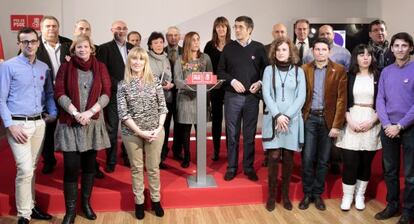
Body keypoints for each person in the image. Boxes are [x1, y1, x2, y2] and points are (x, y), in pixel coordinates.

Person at [0, 27, 56, 224]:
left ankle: (31, 206)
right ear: (19, 44)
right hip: (17, 124)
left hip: (39, 123)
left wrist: (53, 112)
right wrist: (10, 125)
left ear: (38, 43)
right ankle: (24, 214)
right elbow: (1, 99)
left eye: (32, 41)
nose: (29, 45)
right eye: (25, 42)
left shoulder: (43, 67)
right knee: (24, 169)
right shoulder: (8, 66)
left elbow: (49, 94)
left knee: (31, 167)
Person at [54, 35, 111, 224]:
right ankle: (70, 210)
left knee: (89, 166)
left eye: (85, 46)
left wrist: (89, 112)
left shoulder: (100, 67)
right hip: (71, 122)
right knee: (70, 167)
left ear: (91, 49)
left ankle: (85, 204)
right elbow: (59, 92)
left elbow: (106, 93)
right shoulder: (65, 67)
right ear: (73, 49)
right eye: (79, 47)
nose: (82, 50)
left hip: (92, 122)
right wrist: (75, 112)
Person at [117, 47, 167, 219]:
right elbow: (123, 113)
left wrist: (158, 128)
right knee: (137, 168)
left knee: (153, 168)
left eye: (141, 59)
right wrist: (140, 132)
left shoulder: (155, 81)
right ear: (129, 61)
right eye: (134, 59)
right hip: (132, 133)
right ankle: (138, 201)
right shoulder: (122, 85)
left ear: (146, 62)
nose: (137, 62)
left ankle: (155, 200)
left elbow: (163, 108)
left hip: (155, 132)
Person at [299, 37, 347, 211]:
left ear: (329, 51)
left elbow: (342, 100)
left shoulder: (339, 70)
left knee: (323, 160)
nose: (320, 52)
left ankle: (317, 194)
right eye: (317, 49)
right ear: (312, 51)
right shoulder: (304, 69)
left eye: (323, 49)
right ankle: (307, 193)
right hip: (309, 118)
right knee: (307, 157)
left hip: (328, 121)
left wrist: (337, 125)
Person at [218, 16, 268, 181]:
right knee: (232, 134)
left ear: (249, 29)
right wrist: (232, 81)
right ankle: (232, 167)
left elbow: (266, 71)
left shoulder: (259, 48)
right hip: (232, 97)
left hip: (252, 99)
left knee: (249, 135)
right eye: (236, 26)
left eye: (240, 27)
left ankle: (248, 167)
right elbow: (220, 71)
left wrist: (260, 83)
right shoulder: (228, 48)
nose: (237, 29)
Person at [262, 37, 306, 211]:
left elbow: (301, 96)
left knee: (288, 158)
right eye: (278, 49)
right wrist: (278, 115)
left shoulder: (298, 71)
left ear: (291, 52)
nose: (281, 52)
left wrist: (286, 116)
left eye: (284, 49)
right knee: (273, 158)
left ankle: (286, 196)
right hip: (273, 119)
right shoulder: (268, 70)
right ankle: (272, 196)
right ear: (274, 52)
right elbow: (266, 94)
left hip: (292, 121)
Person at [335, 44, 381, 211]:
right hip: (351, 120)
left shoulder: (378, 75)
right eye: (361, 55)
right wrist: (350, 121)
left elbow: (383, 101)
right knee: (350, 162)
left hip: (372, 120)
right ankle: (347, 196)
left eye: (368, 55)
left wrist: (373, 121)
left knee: (365, 163)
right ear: (356, 57)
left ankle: (360, 195)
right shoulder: (349, 76)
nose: (365, 58)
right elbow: (342, 101)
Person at [375, 32, 414, 224]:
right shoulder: (386, 71)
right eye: (396, 45)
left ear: (411, 48)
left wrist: (400, 125)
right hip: (388, 127)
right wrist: (387, 124)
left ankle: (408, 210)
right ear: (391, 48)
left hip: (409, 128)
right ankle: (392, 205)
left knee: (410, 174)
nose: (400, 49)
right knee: (389, 170)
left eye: (404, 46)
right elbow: (380, 99)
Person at [97, 20, 134, 172]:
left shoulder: (133, 48)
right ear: (112, 30)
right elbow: (102, 72)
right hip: (113, 95)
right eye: (118, 28)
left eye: (124, 28)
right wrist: (120, 84)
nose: (121, 30)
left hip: (132, 95)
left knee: (130, 128)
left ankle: (128, 157)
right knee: (111, 129)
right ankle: (111, 160)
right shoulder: (104, 48)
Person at [37, 15, 71, 174]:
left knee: (71, 128)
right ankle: (49, 160)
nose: (51, 29)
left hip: (67, 94)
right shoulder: (33, 45)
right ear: (41, 29)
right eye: (47, 26)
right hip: (46, 96)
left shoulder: (69, 44)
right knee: (48, 130)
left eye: (54, 26)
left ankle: (73, 160)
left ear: (58, 27)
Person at [174, 31, 213, 168]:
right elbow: (177, 80)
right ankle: (187, 155)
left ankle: (200, 156)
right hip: (185, 99)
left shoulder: (205, 58)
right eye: (193, 40)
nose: (196, 42)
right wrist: (189, 83)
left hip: (201, 99)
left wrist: (203, 84)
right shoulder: (180, 59)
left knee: (200, 131)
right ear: (188, 42)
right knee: (185, 131)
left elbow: (210, 77)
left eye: (198, 39)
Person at [73, 18, 105, 179]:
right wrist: (75, 112)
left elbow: (103, 85)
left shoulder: (98, 53)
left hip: (93, 107)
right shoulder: (68, 50)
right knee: (75, 141)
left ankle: (91, 167)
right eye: (80, 29)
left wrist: (91, 111)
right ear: (75, 30)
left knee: (91, 142)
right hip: (72, 107)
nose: (83, 32)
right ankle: (76, 166)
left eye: (87, 29)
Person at [203, 16, 231, 161]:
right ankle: (216, 150)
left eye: (223, 26)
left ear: (227, 28)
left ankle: (229, 151)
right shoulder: (209, 46)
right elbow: (205, 68)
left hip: (230, 88)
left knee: (230, 121)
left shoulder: (233, 45)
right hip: (215, 88)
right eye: (218, 26)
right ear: (215, 29)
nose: (221, 29)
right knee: (217, 120)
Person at [147, 31, 174, 169]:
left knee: (164, 129)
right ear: (150, 45)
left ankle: (160, 158)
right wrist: (160, 84)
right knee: (153, 130)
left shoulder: (166, 58)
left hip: (166, 99)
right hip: (151, 101)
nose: (158, 45)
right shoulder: (146, 58)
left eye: (161, 42)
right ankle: (151, 160)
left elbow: (169, 77)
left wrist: (171, 84)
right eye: (155, 42)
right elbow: (146, 78)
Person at [164, 26, 183, 160]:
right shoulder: (160, 51)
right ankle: (162, 153)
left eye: (176, 35)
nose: (173, 37)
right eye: (170, 35)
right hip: (164, 95)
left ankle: (177, 151)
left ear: (180, 37)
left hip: (181, 94)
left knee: (179, 124)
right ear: (166, 37)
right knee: (163, 125)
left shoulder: (185, 52)